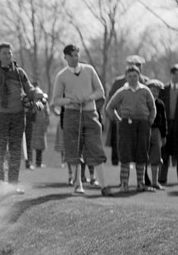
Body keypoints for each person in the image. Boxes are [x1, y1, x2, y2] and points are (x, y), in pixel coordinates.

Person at [49, 44, 109, 195]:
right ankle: (78, 185)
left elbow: (100, 91)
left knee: (96, 148)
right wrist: (69, 101)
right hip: (71, 114)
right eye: (72, 56)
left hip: (90, 113)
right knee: (74, 150)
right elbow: (56, 100)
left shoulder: (89, 70)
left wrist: (89, 97)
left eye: (77, 55)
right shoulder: (61, 76)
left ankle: (103, 185)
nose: (75, 58)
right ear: (66, 57)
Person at [0, 42, 38, 188]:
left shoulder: (19, 73)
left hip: (18, 116)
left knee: (15, 152)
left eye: (9, 53)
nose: (8, 55)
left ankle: (13, 184)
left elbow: (29, 89)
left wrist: (37, 94)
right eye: (4, 53)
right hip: (0, 117)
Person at [103, 65, 157, 192]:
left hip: (143, 124)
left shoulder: (145, 90)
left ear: (139, 76)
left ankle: (140, 184)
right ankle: (124, 184)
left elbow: (152, 108)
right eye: (130, 76)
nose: (133, 79)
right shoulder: (122, 91)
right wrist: (118, 120)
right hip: (126, 124)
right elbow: (109, 108)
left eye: (135, 76)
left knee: (141, 154)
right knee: (125, 155)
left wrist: (149, 121)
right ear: (126, 77)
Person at [146, 79, 167, 189]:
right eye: (152, 90)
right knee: (143, 155)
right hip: (145, 130)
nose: (154, 93)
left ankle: (155, 182)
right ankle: (144, 181)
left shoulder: (160, 104)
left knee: (156, 157)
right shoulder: (143, 101)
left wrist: (163, 135)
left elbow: (163, 121)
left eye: (157, 91)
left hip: (156, 131)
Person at [30, 89, 50, 168]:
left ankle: (31, 162)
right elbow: (47, 114)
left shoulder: (34, 104)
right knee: (39, 147)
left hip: (35, 127)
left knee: (33, 146)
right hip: (40, 127)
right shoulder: (43, 104)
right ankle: (38, 162)